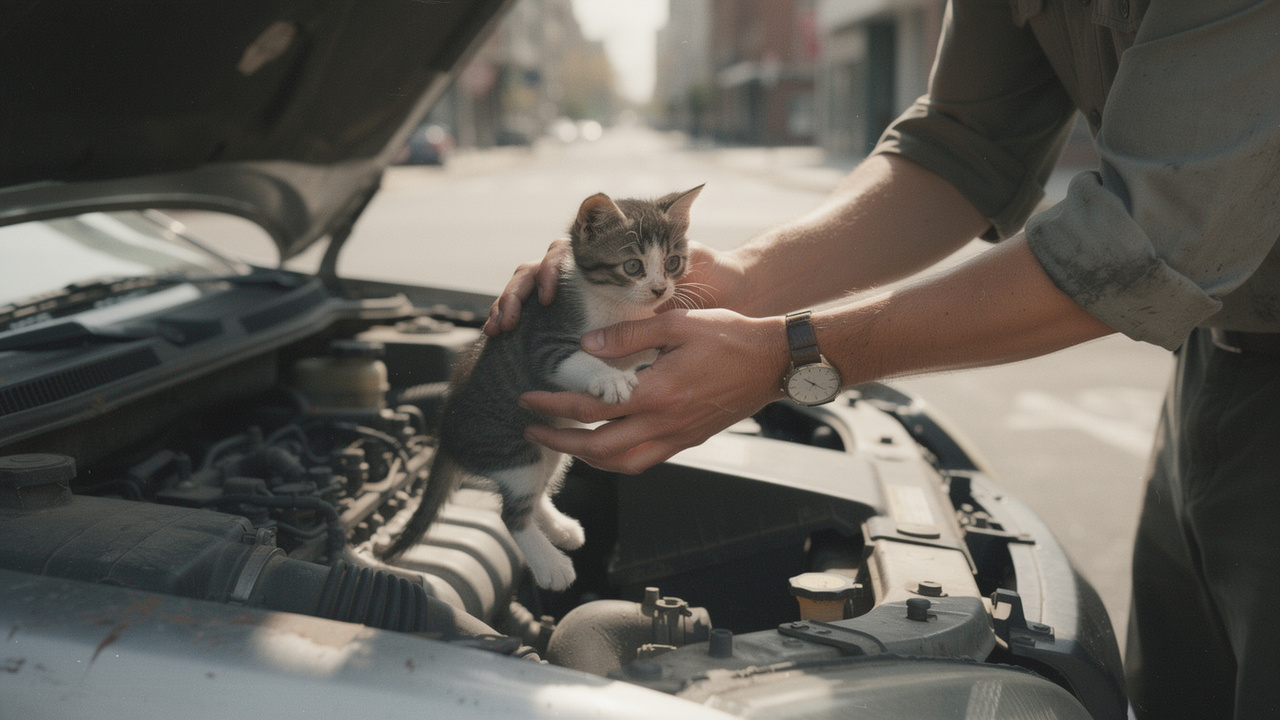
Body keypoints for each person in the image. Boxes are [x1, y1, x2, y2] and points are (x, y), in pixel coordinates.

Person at [483, 2, 1280, 718]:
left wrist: (787, 354)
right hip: (1216, 364)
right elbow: (963, 145)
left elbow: (1138, 244)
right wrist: (743, 284)